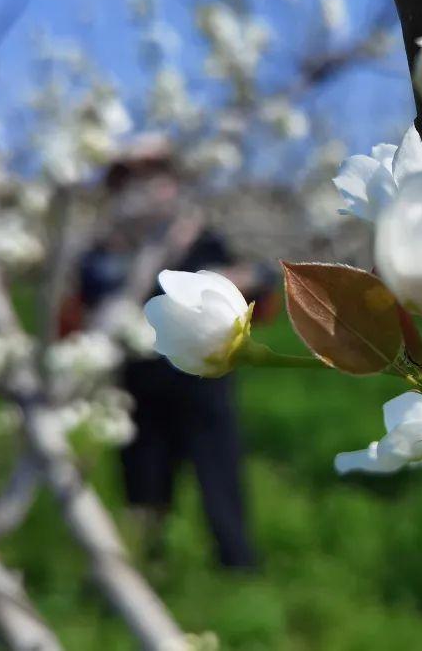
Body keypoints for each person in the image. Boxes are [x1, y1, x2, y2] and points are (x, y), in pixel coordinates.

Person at [72, 136, 276, 570]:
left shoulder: (202, 239)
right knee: (144, 486)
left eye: (155, 174)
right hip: (139, 389)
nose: (144, 187)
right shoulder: (103, 253)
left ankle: (238, 569)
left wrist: (224, 279)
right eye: (131, 177)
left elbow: (259, 279)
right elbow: (89, 316)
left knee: (220, 481)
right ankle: (146, 570)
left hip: (204, 386)